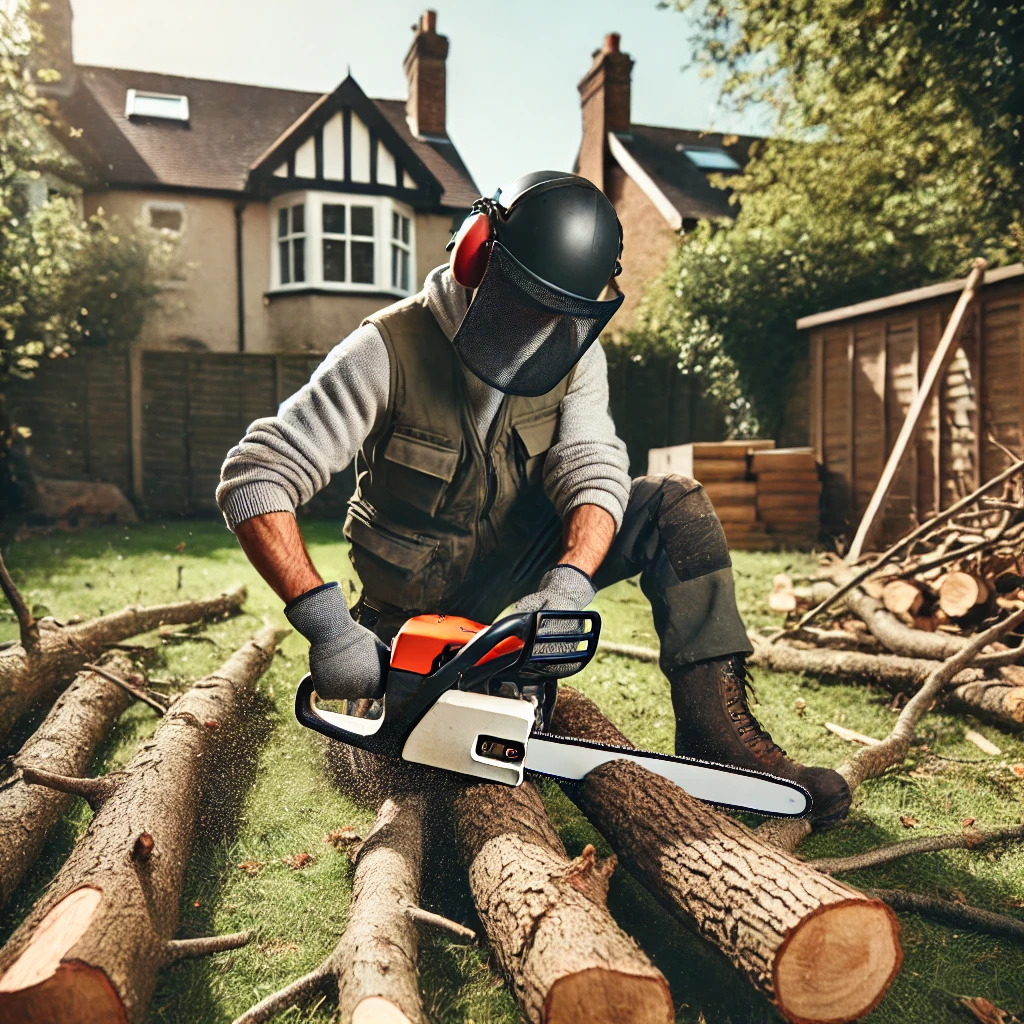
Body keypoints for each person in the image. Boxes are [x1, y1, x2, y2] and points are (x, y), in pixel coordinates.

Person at [216, 170, 851, 825]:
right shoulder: (387, 350)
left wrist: (570, 583)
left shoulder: (573, 351)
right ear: (477, 255)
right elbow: (257, 474)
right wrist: (327, 625)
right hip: (409, 609)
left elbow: (593, 469)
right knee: (396, 774)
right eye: (526, 301)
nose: (540, 326)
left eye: (561, 313)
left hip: (520, 582)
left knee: (675, 504)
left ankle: (721, 740)